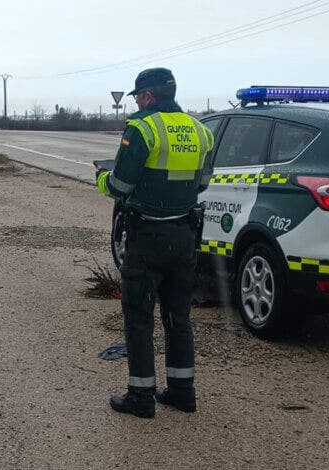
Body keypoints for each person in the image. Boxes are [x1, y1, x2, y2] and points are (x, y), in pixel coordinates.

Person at [95, 68, 215, 418]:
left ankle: (141, 397)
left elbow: (120, 186)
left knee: (139, 316)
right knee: (179, 316)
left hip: (148, 235)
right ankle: (182, 392)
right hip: (185, 236)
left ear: (147, 96)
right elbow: (203, 183)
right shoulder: (201, 130)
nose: (136, 102)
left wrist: (101, 177)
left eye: (137, 97)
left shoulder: (142, 127)